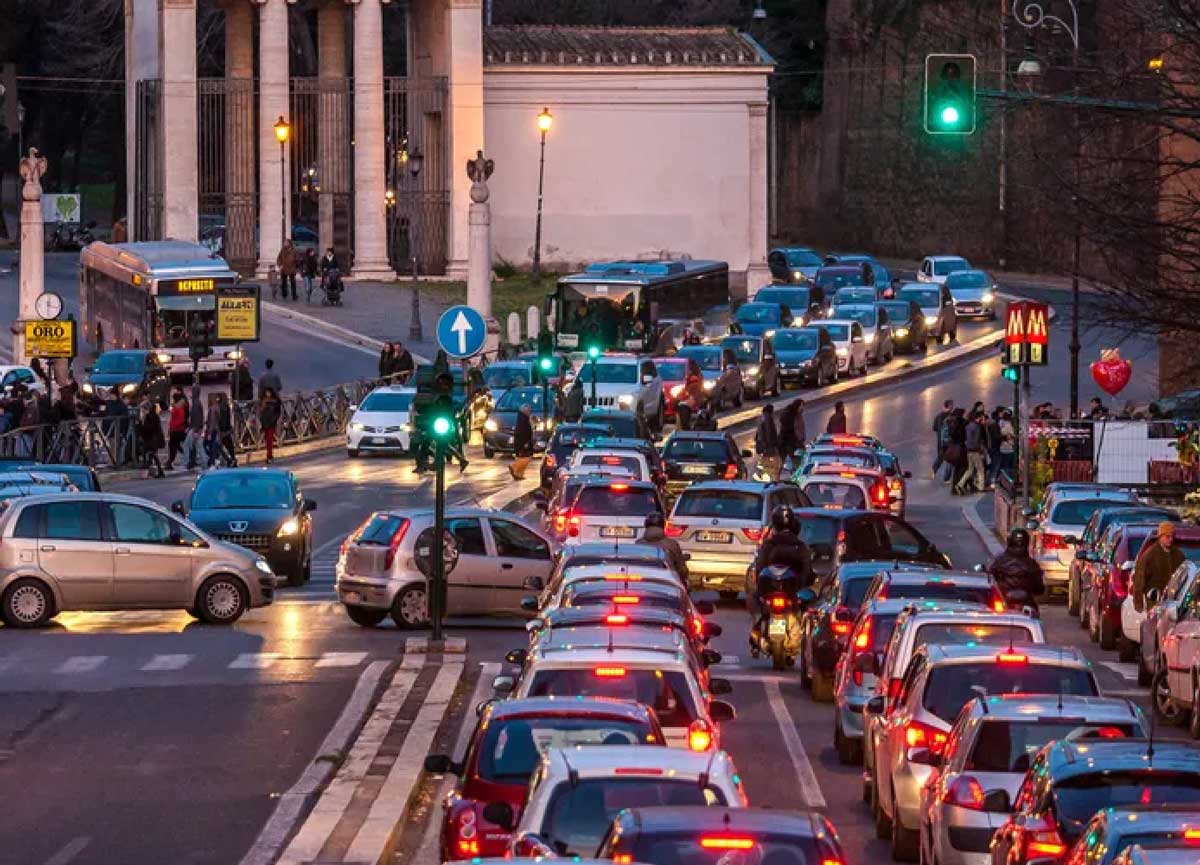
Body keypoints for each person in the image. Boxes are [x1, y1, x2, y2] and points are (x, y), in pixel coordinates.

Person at [1132, 522, 1185, 612]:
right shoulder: (1149, 555)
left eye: (1172, 536)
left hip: (1174, 602)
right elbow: (1139, 580)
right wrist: (1138, 603)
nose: (1170, 539)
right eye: (1167, 536)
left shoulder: (1178, 555)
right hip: (1155, 602)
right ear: (1160, 536)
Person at [988, 528, 1046, 605]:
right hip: (1015, 600)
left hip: (1007, 599)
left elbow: (990, 577)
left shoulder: (1000, 561)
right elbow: (1039, 588)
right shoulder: (1032, 563)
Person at [641, 511, 689, 585]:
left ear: (646, 525)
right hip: (668, 584)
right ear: (663, 525)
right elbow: (681, 569)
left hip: (643, 583)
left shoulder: (639, 543)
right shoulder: (672, 544)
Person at [955, 410, 987, 495]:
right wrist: (980, 450)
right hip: (975, 451)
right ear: (979, 417)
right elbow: (976, 440)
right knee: (981, 469)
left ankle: (960, 484)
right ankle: (981, 488)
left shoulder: (968, 426)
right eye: (982, 417)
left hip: (968, 451)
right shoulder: (977, 427)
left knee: (970, 469)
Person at [182, 384, 207, 470]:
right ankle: (204, 463)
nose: (190, 393)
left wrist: (195, 430)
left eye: (191, 391)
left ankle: (187, 462)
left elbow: (196, 417)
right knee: (198, 446)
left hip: (195, 429)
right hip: (195, 429)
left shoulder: (196, 403)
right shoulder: (197, 402)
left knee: (187, 445)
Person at [139, 400, 165, 478]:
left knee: (150, 454)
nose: (142, 410)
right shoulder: (147, 416)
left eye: (143, 408)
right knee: (151, 455)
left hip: (153, 439)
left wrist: (141, 426)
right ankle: (159, 472)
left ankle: (147, 472)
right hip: (150, 439)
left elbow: (150, 428)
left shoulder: (152, 416)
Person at [755, 403, 782, 480]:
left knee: (766, 461)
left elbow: (758, 433)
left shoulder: (761, 418)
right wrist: (772, 444)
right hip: (769, 445)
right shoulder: (768, 418)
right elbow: (769, 432)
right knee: (776, 462)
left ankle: (764, 475)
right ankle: (770, 477)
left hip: (764, 445)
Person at [509, 403, 534, 480]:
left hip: (523, 441)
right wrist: (525, 442)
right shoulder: (523, 419)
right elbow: (523, 432)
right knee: (526, 457)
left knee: (522, 457)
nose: (530, 412)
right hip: (523, 442)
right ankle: (514, 466)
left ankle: (518, 473)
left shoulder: (524, 418)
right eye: (529, 411)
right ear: (524, 411)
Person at [931, 399, 954, 477]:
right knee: (950, 459)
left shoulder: (938, 416)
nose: (953, 407)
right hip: (949, 441)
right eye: (952, 405)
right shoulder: (951, 416)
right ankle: (947, 477)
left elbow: (934, 428)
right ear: (949, 406)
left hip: (940, 441)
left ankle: (934, 469)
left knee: (940, 457)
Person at [166, 391, 188, 469]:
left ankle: (169, 462)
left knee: (174, 446)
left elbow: (172, 420)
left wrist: (170, 429)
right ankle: (188, 458)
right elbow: (181, 420)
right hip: (179, 430)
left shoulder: (175, 408)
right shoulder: (180, 409)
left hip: (174, 431)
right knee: (184, 444)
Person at [260, 387, 282, 465]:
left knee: (269, 439)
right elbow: (261, 412)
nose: (267, 394)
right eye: (266, 393)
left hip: (272, 422)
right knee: (267, 440)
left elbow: (278, 412)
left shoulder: (275, 401)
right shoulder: (264, 401)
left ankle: (269, 456)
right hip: (265, 423)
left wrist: (275, 419)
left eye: (269, 392)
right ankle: (269, 456)